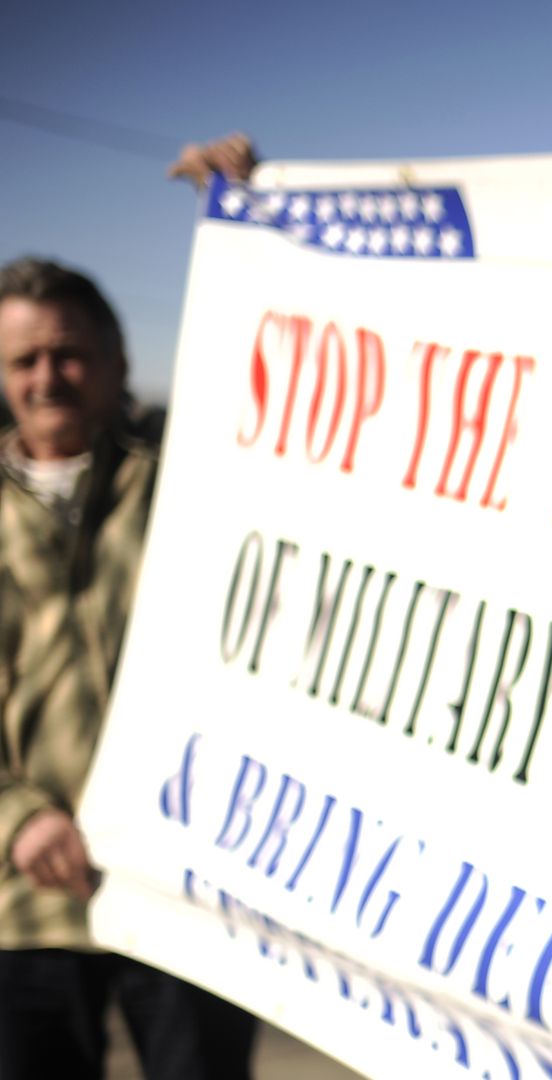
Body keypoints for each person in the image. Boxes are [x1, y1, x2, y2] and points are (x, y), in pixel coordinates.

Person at [0, 136, 259, 1079]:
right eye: (25, 359)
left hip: (183, 893)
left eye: (70, 354)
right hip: (19, 907)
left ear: (116, 360)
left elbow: (280, 380)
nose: (47, 378)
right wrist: (15, 817)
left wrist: (249, 225)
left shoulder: (195, 482)